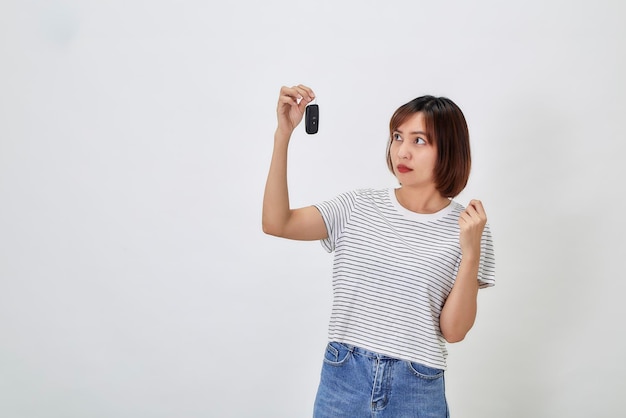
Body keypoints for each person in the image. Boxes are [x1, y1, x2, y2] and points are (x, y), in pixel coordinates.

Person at [262, 84, 496, 418]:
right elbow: (277, 223)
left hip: (417, 387)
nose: (402, 152)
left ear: (449, 150)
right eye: (397, 137)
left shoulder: (469, 227)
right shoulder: (358, 205)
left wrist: (470, 252)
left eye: (419, 141)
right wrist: (282, 135)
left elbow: (454, 332)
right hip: (344, 377)